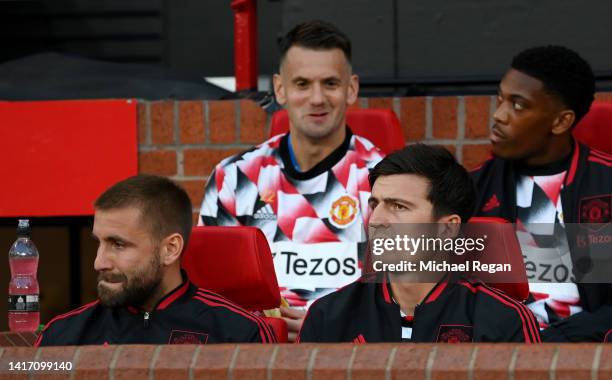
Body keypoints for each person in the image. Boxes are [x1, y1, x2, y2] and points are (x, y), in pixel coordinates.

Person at [198, 20, 383, 340]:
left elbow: (406, 295)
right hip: (255, 351)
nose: (316, 98)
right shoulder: (235, 178)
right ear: (280, 89)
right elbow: (209, 288)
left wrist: (328, 323)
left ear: (351, 88)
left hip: (353, 354)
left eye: (330, 83)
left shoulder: (385, 179)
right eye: (301, 83)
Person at [298, 144, 540, 343]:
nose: (377, 220)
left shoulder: (505, 322)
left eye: (399, 206)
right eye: (375, 205)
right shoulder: (327, 316)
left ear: (447, 228)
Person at [471, 45, 612, 342]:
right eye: (500, 99)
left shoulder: (604, 185)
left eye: (518, 105)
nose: (499, 115)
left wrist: (553, 343)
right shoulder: (471, 189)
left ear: (561, 121)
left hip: (587, 354)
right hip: (495, 352)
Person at [36, 175, 276, 346]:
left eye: (118, 244)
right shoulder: (62, 335)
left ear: (170, 249)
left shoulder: (238, 333)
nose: (99, 263)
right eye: (98, 243)